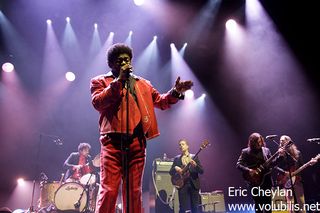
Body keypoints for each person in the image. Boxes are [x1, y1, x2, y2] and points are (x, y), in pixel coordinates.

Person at [90, 43, 193, 213]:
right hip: (112, 143)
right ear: (111, 64)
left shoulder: (143, 83)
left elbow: (160, 101)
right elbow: (98, 102)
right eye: (120, 60)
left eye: (127, 59)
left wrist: (175, 92)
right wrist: (118, 82)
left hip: (137, 143)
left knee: (134, 191)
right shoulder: (100, 81)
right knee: (109, 190)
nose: (125, 62)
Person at [236, 132, 285, 213]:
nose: (260, 143)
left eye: (260, 141)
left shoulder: (266, 150)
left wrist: (281, 156)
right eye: (257, 142)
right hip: (254, 182)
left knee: (268, 205)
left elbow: (272, 164)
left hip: (266, 181)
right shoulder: (245, 152)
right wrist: (249, 170)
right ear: (252, 142)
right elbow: (238, 165)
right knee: (258, 205)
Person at [275, 135, 317, 213]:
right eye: (280, 140)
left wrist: (310, 163)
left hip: (297, 181)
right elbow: (275, 167)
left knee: (301, 206)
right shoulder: (280, 154)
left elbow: (302, 166)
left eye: (283, 140)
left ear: (288, 142)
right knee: (290, 206)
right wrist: (284, 173)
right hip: (286, 181)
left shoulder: (297, 153)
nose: (280, 142)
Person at [169, 139, 204, 213]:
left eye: (183, 144)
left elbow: (201, 171)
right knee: (182, 207)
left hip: (193, 184)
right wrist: (175, 168)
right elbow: (170, 172)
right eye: (180, 144)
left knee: (195, 207)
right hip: (182, 184)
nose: (181, 146)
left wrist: (195, 165)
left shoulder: (194, 157)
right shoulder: (177, 158)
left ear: (187, 146)